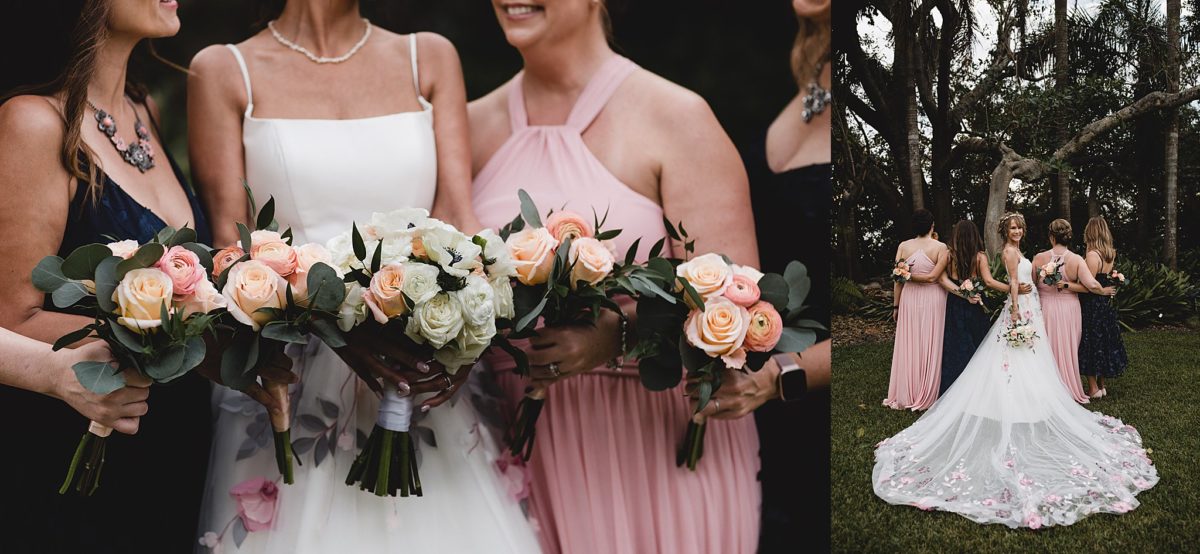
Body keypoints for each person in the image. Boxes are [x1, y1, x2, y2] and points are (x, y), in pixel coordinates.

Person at [187, 1, 538, 551]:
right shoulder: (225, 69)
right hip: (294, 372)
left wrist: (464, 336)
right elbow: (234, 252)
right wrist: (340, 328)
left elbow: (460, 221)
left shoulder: (429, 58)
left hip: (419, 368)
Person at [468, 0, 762, 551]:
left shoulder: (676, 117)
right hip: (509, 450)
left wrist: (620, 336)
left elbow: (739, 306)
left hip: (655, 444)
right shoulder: (468, 126)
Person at [0, 1, 214, 550]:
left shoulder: (144, 110)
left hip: (173, 445)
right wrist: (152, 340)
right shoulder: (35, 122)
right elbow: (12, 315)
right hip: (74, 450)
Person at [873, 212, 1157, 528]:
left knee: (1032, 361)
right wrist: (1018, 313)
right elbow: (1010, 284)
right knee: (1013, 361)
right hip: (1021, 310)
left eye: (1020, 227)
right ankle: (1012, 402)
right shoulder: (1008, 252)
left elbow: (1021, 280)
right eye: (1013, 227)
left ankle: (1034, 400)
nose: (1018, 231)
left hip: (1030, 307)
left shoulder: (1022, 252)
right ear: (1005, 231)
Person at [1032, 219, 1113, 404]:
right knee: (1069, 346)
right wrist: (1102, 291)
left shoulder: (1039, 258)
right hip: (1069, 309)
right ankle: (1067, 384)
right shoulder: (1076, 259)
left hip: (1045, 308)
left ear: (1051, 237)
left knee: (1046, 346)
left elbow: (1032, 284)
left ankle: (1045, 386)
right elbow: (1091, 284)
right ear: (1068, 237)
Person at [884, 208, 947, 410]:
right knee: (930, 341)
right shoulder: (940, 247)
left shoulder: (903, 246)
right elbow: (932, 277)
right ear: (932, 226)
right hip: (933, 298)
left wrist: (896, 305)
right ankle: (928, 390)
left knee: (911, 342)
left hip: (909, 298)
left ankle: (908, 391)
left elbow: (898, 279)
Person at [1076, 216, 1127, 399]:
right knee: (1103, 342)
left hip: (1092, 304)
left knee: (1090, 342)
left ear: (1090, 232)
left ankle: (1093, 388)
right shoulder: (1110, 253)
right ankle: (1102, 385)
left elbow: (1089, 284)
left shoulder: (1092, 255)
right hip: (1104, 305)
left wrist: (1068, 284)